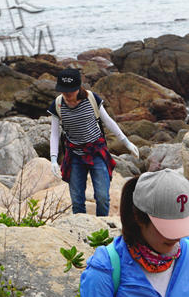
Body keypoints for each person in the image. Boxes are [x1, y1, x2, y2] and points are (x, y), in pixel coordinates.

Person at [48, 68, 139, 216]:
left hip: (96, 152)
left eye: (70, 92)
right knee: (77, 200)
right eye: (64, 92)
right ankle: (82, 230)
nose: (67, 95)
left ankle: (101, 227)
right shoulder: (58, 104)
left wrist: (126, 143)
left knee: (102, 197)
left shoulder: (91, 99)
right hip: (74, 155)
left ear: (78, 88)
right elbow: (54, 134)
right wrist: (53, 159)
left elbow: (108, 122)